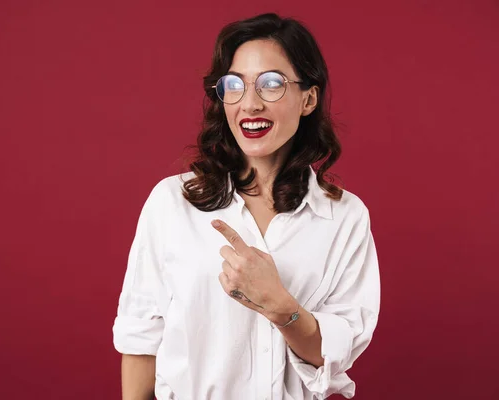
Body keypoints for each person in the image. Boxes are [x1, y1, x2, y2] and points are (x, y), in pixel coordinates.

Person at [112, 13, 380, 400]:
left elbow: (334, 353)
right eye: (234, 85)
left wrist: (279, 304)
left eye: (271, 84)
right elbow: (141, 338)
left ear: (308, 99)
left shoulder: (344, 218)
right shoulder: (172, 203)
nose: (249, 103)